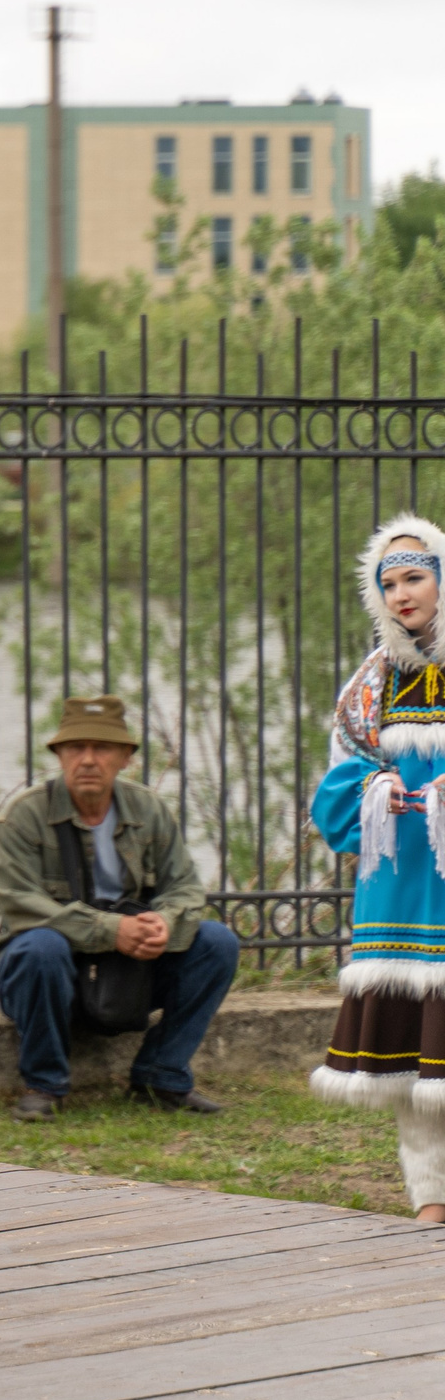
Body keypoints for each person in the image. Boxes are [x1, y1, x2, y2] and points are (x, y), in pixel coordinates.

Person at [0, 695, 237, 1122]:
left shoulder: (148, 809)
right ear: (59, 755)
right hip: (43, 972)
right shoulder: (23, 817)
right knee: (41, 946)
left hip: (126, 970)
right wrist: (110, 929)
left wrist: (163, 924)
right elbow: (21, 903)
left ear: (125, 758)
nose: (88, 760)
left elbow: (186, 888)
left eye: (102, 749)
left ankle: (162, 1075)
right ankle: (43, 1085)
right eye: (76, 748)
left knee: (216, 941)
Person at [310, 516, 445, 1223]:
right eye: (387, 583)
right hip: (398, 887)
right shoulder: (372, 681)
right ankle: (430, 1198)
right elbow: (333, 790)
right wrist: (371, 789)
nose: (401, 594)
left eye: (414, 576)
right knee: (412, 1066)